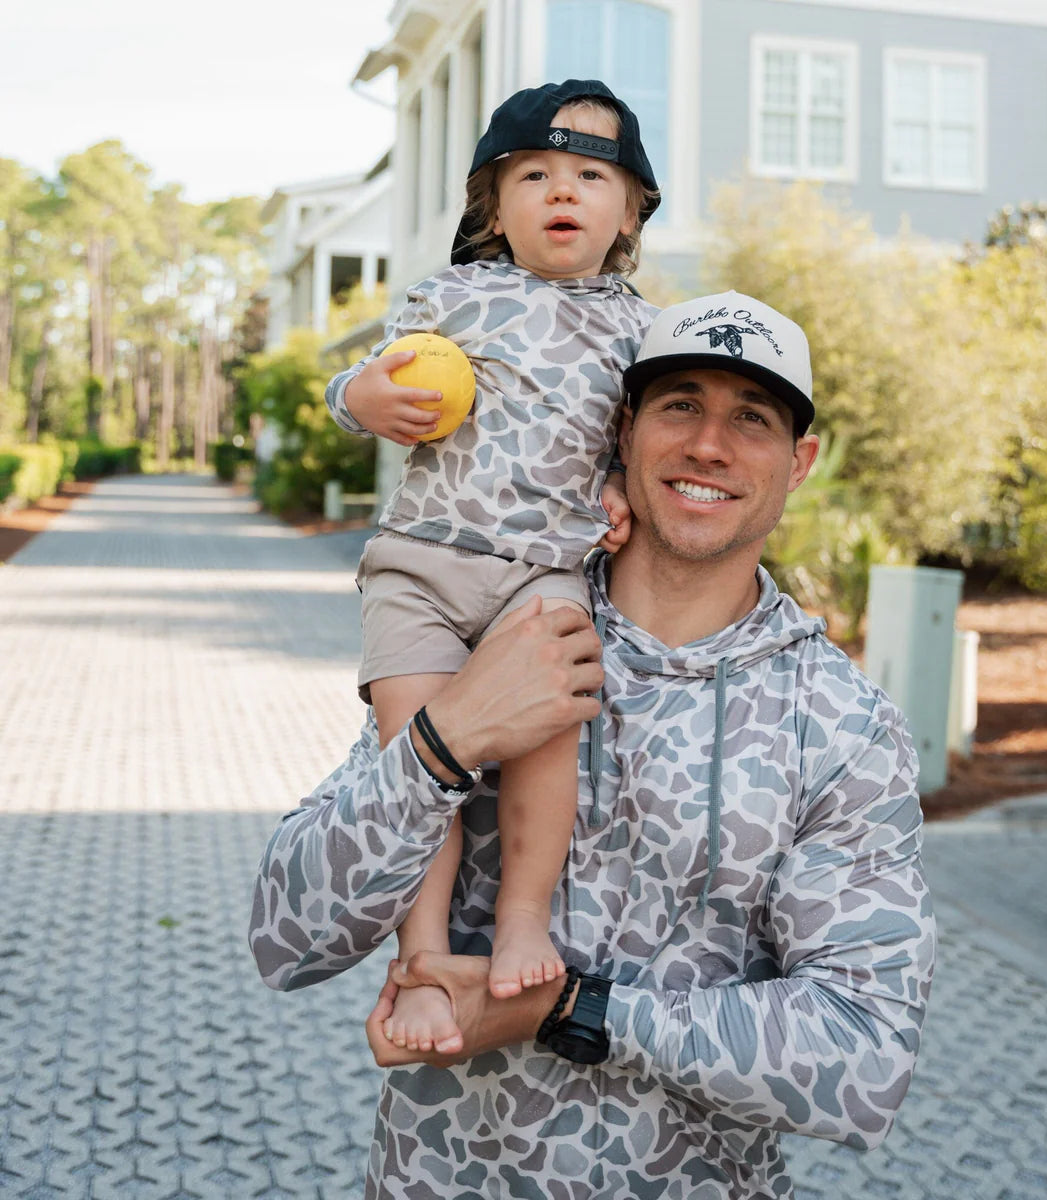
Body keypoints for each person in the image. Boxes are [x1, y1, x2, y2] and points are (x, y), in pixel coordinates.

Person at [249, 289, 937, 1200]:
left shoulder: (841, 724)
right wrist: (448, 738)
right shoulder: (491, 629)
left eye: (753, 418)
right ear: (622, 429)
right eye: (680, 404)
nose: (709, 446)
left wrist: (567, 1009)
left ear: (799, 461)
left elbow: (864, 1053)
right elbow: (290, 938)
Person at [323, 79, 660, 1044]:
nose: (563, 191)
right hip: (423, 566)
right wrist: (361, 399)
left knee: (550, 740)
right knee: (418, 757)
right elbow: (367, 379)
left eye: (590, 177)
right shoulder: (452, 296)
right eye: (535, 175)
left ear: (629, 212)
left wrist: (620, 487)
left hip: (544, 573)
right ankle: (422, 959)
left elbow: (635, 442)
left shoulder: (640, 331)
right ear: (494, 209)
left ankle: (521, 917)